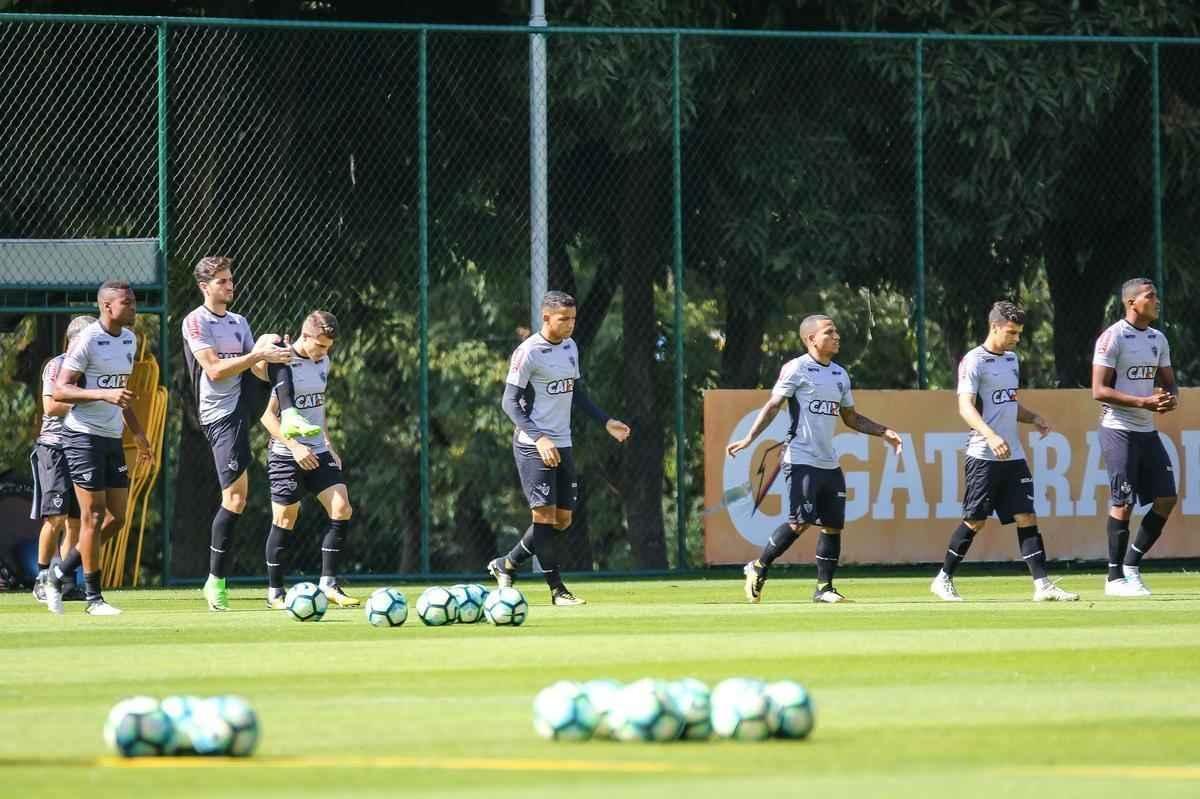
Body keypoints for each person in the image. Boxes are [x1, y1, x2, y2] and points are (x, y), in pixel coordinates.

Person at [727, 314, 903, 604]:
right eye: (829, 332)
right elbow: (773, 406)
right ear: (811, 339)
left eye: (835, 331)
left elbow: (850, 417)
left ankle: (824, 588)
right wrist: (749, 439)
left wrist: (884, 431)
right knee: (800, 522)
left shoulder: (840, 375)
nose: (836, 336)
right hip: (800, 458)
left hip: (829, 461)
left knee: (833, 524)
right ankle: (758, 566)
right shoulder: (796, 369)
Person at [487, 291, 630, 606]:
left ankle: (506, 564)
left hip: (562, 442)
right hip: (532, 444)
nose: (570, 325)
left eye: (573, 319)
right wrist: (539, 437)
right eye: (563, 319)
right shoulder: (528, 353)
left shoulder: (570, 347)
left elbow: (574, 392)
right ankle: (557, 591)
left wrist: (605, 421)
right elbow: (509, 402)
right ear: (546, 318)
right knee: (543, 515)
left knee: (562, 519)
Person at [182, 256, 308, 611]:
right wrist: (258, 354)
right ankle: (215, 580)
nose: (230, 286)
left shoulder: (239, 321)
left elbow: (258, 363)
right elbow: (215, 370)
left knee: (273, 343)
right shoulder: (195, 321)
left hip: (245, 399)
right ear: (205, 287)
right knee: (235, 499)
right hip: (220, 412)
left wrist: (273, 353)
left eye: (230, 279)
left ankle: (292, 414)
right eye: (222, 281)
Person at [930, 301, 1079, 602]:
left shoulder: (1011, 360)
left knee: (1026, 515)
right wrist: (990, 434)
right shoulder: (974, 361)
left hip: (1013, 455)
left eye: (1020, 333)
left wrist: (1033, 417)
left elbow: (1007, 404)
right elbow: (965, 406)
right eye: (1011, 332)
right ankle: (943, 579)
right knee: (976, 520)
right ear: (995, 327)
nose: (1016, 338)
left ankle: (1043, 585)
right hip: (983, 454)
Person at [43, 282, 152, 615]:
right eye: (127, 302)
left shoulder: (131, 340)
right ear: (107, 306)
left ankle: (59, 572)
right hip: (82, 437)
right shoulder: (88, 339)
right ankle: (93, 599)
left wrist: (139, 434)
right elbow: (61, 390)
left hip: (112, 436)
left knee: (117, 518)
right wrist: (101, 395)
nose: (134, 307)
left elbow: (121, 392)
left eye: (133, 302)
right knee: (91, 516)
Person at [259, 310, 359, 609]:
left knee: (341, 507)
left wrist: (328, 443)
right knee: (286, 517)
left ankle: (329, 583)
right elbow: (266, 416)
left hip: (317, 449)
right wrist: (294, 447)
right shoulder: (283, 363)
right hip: (286, 453)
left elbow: (319, 406)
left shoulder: (323, 362)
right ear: (305, 337)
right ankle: (275, 592)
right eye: (321, 346)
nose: (324, 352)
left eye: (328, 348)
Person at [1092, 278, 1178, 597]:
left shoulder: (1158, 338)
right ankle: (1114, 579)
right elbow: (1098, 390)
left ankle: (1131, 563)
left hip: (1147, 429)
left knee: (1167, 498)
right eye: (1150, 296)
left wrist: (1170, 399)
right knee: (1123, 501)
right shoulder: (1112, 337)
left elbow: (1170, 383)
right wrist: (1144, 402)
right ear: (1131, 303)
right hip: (1118, 428)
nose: (1157, 300)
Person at [29, 315, 94, 604]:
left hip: (81, 447)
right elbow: (51, 406)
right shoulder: (56, 366)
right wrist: (92, 397)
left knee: (76, 523)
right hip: (54, 448)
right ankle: (41, 579)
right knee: (54, 518)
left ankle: (65, 581)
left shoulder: (93, 368)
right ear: (73, 340)